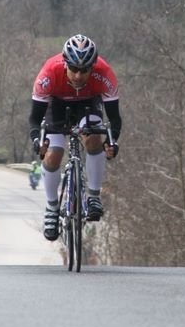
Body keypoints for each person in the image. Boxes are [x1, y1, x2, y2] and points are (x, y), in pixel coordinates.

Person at [28, 33, 121, 241]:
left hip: (88, 103)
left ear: (93, 66)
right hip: (57, 105)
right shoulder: (49, 73)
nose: (78, 76)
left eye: (85, 70)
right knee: (54, 154)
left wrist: (112, 142)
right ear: (65, 64)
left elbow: (114, 119)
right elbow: (35, 119)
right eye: (74, 69)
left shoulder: (104, 74)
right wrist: (38, 141)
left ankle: (94, 197)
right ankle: (52, 207)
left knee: (94, 137)